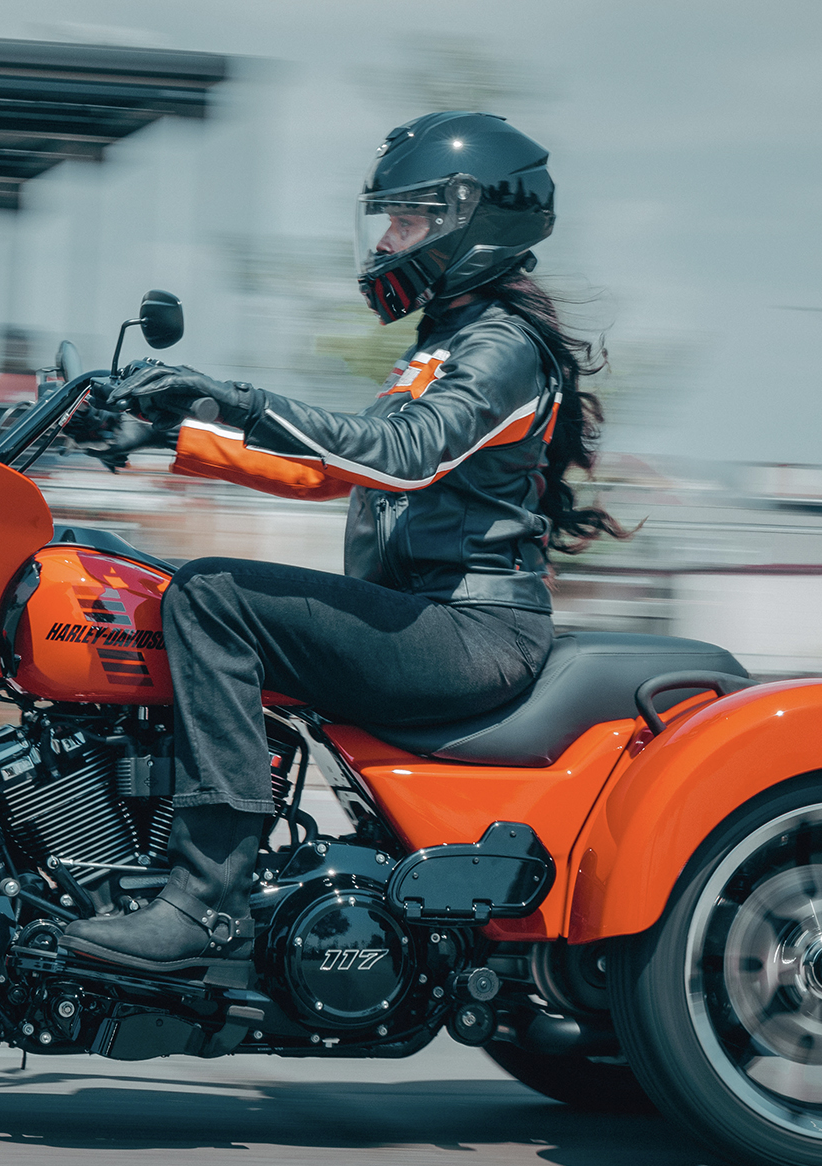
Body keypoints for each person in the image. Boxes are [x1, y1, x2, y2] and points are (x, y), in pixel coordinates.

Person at [62, 111, 623, 974]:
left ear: (471, 220)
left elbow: (399, 456)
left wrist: (240, 398)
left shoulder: (501, 347)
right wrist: (170, 434)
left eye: (408, 221)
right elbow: (332, 470)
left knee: (212, 597)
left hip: (470, 628)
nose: (387, 243)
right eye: (388, 221)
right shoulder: (449, 345)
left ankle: (203, 901)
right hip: (425, 617)